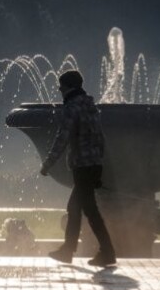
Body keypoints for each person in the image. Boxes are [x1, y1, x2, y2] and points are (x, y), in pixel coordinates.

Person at [40, 70, 117, 267]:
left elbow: (62, 137)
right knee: (75, 207)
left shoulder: (71, 108)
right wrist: (99, 168)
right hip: (93, 165)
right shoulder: (90, 106)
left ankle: (107, 252)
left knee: (90, 211)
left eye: (61, 85)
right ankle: (69, 250)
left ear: (67, 87)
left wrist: (48, 163)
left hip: (82, 166)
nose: (59, 89)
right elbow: (100, 138)